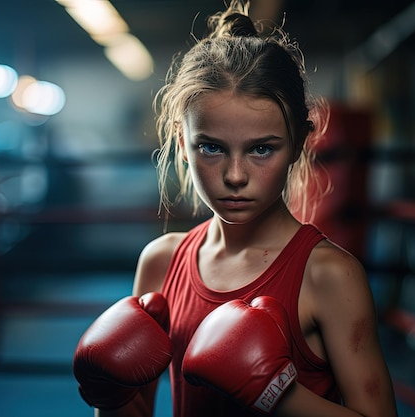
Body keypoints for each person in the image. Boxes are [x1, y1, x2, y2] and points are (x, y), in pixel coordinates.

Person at [73, 1, 398, 416]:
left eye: (262, 149)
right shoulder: (161, 263)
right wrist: (110, 396)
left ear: (298, 142)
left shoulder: (329, 276)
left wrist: (277, 394)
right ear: (182, 142)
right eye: (211, 147)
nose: (235, 175)